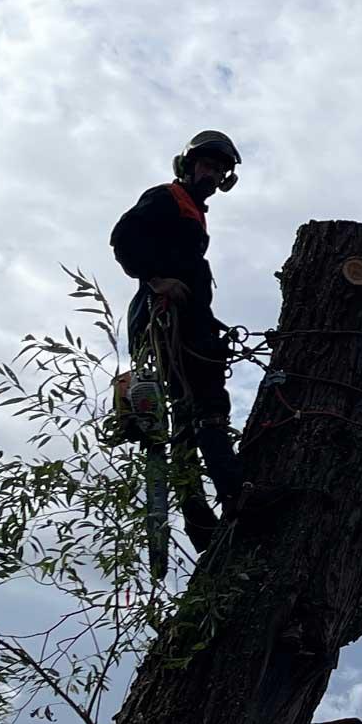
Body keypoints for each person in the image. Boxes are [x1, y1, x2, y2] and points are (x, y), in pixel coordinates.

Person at [110, 131, 246, 551]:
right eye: (208, 164)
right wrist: (156, 278)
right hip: (163, 320)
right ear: (188, 165)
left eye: (220, 169)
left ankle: (201, 523)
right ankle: (237, 495)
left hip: (186, 320)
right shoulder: (166, 196)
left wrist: (208, 321)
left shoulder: (192, 211)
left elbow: (186, 274)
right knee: (205, 406)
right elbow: (124, 237)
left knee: (189, 416)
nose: (214, 173)